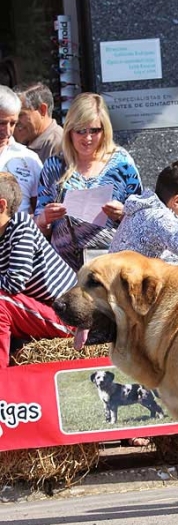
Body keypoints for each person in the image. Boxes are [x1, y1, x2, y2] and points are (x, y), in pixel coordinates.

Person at [34, 92, 143, 272]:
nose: (88, 138)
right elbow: (40, 225)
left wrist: (122, 213)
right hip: (64, 267)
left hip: (109, 265)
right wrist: (44, 219)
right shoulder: (55, 166)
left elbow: (141, 216)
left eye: (95, 130)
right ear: (69, 131)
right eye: (81, 131)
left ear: (105, 130)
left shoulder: (121, 163)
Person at [0, 172, 77, 368]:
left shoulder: (21, 225)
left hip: (70, 317)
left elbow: (14, 283)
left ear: (2, 206)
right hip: (35, 310)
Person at [0, 85, 43, 214]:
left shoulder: (29, 159)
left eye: (13, 123)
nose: (7, 131)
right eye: (1, 123)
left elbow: (40, 209)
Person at [13, 82, 64, 163]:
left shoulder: (59, 145)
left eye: (21, 114)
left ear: (42, 110)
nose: (15, 121)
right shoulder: (22, 140)